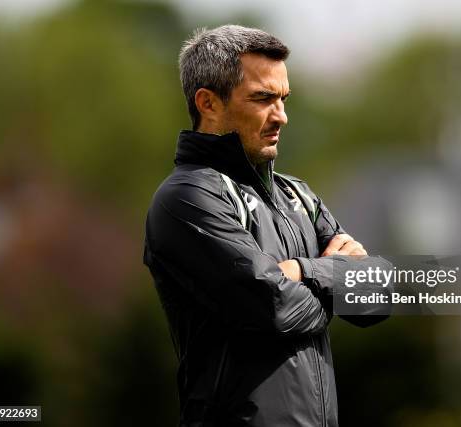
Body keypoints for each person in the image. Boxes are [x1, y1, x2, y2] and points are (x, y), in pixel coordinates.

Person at [143, 25, 391, 427]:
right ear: (207, 102)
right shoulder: (185, 198)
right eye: (263, 99)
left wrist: (301, 271)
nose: (282, 116)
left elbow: (378, 295)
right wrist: (337, 279)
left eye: (283, 98)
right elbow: (273, 307)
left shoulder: (298, 195)